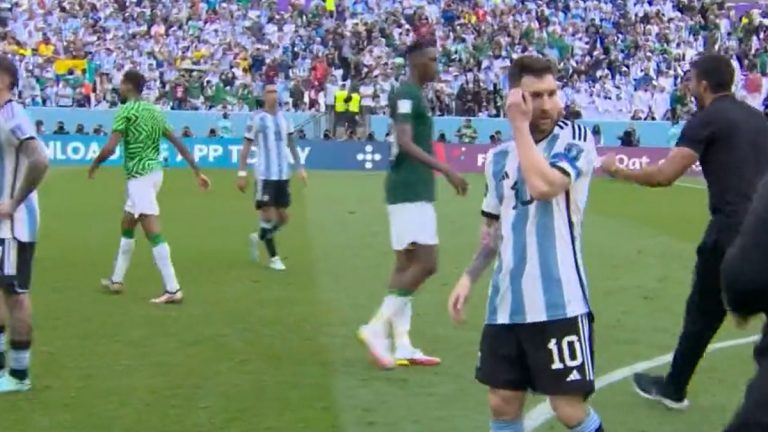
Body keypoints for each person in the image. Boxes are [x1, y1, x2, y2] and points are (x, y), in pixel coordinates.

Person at [601, 53, 768, 410]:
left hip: (731, 231)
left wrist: (619, 171)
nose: (688, 87)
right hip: (763, 226)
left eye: (691, 80)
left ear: (703, 85)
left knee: (703, 312)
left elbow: (664, 175)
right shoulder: (758, 119)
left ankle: (674, 388)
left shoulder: (706, 119)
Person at [448, 55, 603, 432]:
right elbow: (494, 231)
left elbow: (544, 185)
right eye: (535, 96)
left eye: (552, 93)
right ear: (515, 97)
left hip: (559, 302)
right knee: (502, 403)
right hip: (506, 306)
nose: (547, 104)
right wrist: (468, 277)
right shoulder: (497, 159)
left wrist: (519, 125)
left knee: (568, 408)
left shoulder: (574, 138)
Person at [357, 39, 469, 370]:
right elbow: (405, 142)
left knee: (406, 264)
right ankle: (376, 328)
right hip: (409, 187)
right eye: (432, 59)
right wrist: (445, 168)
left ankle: (403, 344)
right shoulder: (406, 94)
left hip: (410, 187)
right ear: (416, 61)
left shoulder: (413, 94)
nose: (436, 65)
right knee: (427, 263)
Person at [89, 70, 211, 304]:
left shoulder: (126, 111)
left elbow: (110, 148)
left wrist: (94, 165)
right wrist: (196, 170)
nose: (119, 88)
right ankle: (116, 280)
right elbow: (177, 142)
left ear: (129, 86)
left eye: (122, 84)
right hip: (155, 173)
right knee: (127, 222)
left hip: (140, 177)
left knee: (152, 231)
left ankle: (173, 288)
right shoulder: (155, 112)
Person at [0, 56, 49, 393]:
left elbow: (39, 159)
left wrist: (14, 202)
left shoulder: (12, 115)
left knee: (15, 294)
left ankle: (19, 376)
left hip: (14, 225)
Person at [237, 83, 307, 271]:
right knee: (268, 215)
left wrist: (299, 167)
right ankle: (274, 258)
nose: (273, 95)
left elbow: (291, 144)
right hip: (264, 175)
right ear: (264, 96)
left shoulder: (286, 119)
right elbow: (246, 147)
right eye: (269, 92)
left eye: (275, 91)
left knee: (283, 218)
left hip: (282, 174)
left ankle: (258, 236)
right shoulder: (256, 119)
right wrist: (242, 173)